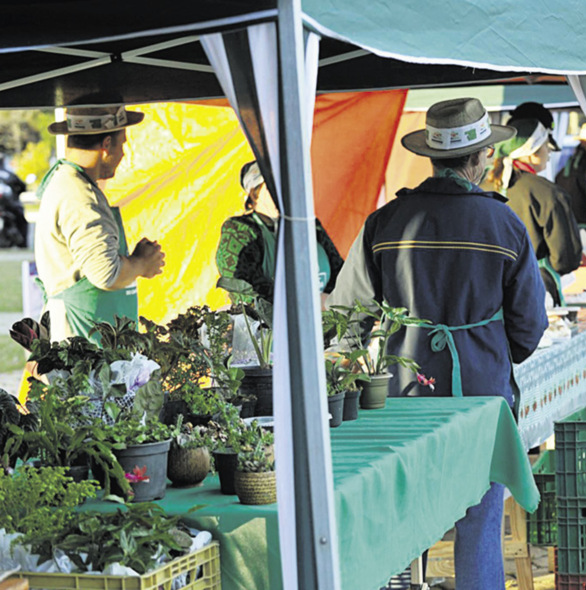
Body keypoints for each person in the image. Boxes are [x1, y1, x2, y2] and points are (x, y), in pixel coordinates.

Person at [327, 97, 548, 587]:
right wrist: (484, 349)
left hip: (403, 392)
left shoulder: (384, 222)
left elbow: (348, 317)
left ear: (432, 157)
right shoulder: (505, 224)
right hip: (482, 395)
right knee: (480, 521)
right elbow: (530, 327)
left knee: (405, 519)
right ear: (480, 159)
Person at [35, 100, 165, 343]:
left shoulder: (66, 183)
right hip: (82, 344)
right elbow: (105, 273)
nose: (123, 154)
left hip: (82, 338)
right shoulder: (80, 196)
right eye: (122, 144)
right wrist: (141, 264)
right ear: (107, 145)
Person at [483, 116, 583, 305]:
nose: (550, 152)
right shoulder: (549, 194)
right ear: (532, 152)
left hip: (487, 292)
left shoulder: (481, 189)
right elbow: (566, 259)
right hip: (535, 291)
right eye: (546, 146)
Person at [216, 161, 343, 304]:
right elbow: (244, 290)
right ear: (254, 193)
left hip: (329, 321)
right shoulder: (239, 231)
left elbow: (342, 275)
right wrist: (309, 303)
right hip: (271, 325)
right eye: (274, 187)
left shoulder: (309, 224)